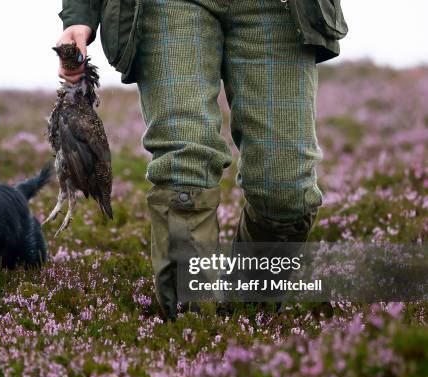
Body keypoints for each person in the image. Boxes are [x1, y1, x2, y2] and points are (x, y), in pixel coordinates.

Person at [56, 0, 348, 320]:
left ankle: (248, 318)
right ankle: (198, 324)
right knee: (184, 171)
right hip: (167, 7)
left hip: (280, 10)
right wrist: (79, 16)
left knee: (286, 193)